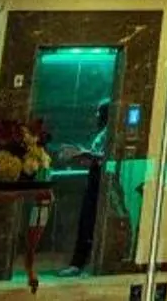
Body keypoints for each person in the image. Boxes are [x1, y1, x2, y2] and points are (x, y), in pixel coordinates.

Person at [66, 102, 113, 272]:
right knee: (87, 220)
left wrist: (87, 154)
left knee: (89, 220)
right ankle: (80, 261)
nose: (96, 116)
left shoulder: (110, 133)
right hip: (95, 178)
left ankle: (80, 263)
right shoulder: (103, 133)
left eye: (99, 113)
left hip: (101, 180)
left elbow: (108, 156)